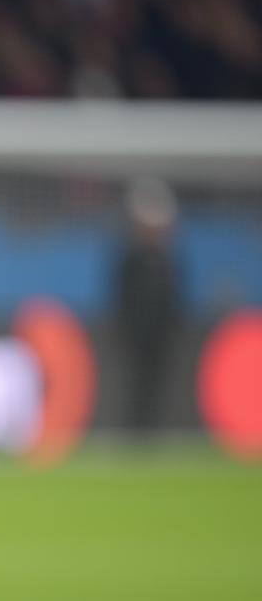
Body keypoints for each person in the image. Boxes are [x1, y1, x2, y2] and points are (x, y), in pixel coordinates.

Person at [113, 177, 183, 433]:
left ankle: (153, 431)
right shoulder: (130, 258)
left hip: (160, 335)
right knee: (135, 385)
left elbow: (173, 298)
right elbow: (122, 297)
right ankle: (134, 432)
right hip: (136, 334)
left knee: (157, 384)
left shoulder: (167, 259)